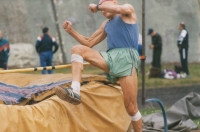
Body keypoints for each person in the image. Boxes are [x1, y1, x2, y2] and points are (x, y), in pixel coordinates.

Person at [55, 0, 142, 131]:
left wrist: (97, 6)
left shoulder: (127, 11)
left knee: (131, 108)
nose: (103, 10)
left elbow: (121, 9)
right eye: (101, 8)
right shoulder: (106, 24)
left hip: (127, 58)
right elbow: (89, 42)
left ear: (114, 2)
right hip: (111, 57)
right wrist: (71, 31)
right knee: (77, 49)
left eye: (104, 5)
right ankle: (75, 91)